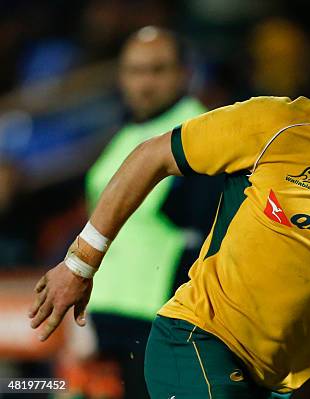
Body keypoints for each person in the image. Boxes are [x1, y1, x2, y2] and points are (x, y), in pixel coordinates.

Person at [29, 4, 310, 398]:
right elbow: (151, 155)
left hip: (275, 382)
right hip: (198, 341)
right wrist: (79, 264)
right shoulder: (275, 125)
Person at [69, 26, 222, 398]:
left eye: (158, 70)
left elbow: (205, 230)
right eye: (135, 71)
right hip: (107, 318)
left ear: (184, 73)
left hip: (159, 320)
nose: (145, 82)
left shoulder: (200, 134)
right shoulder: (127, 134)